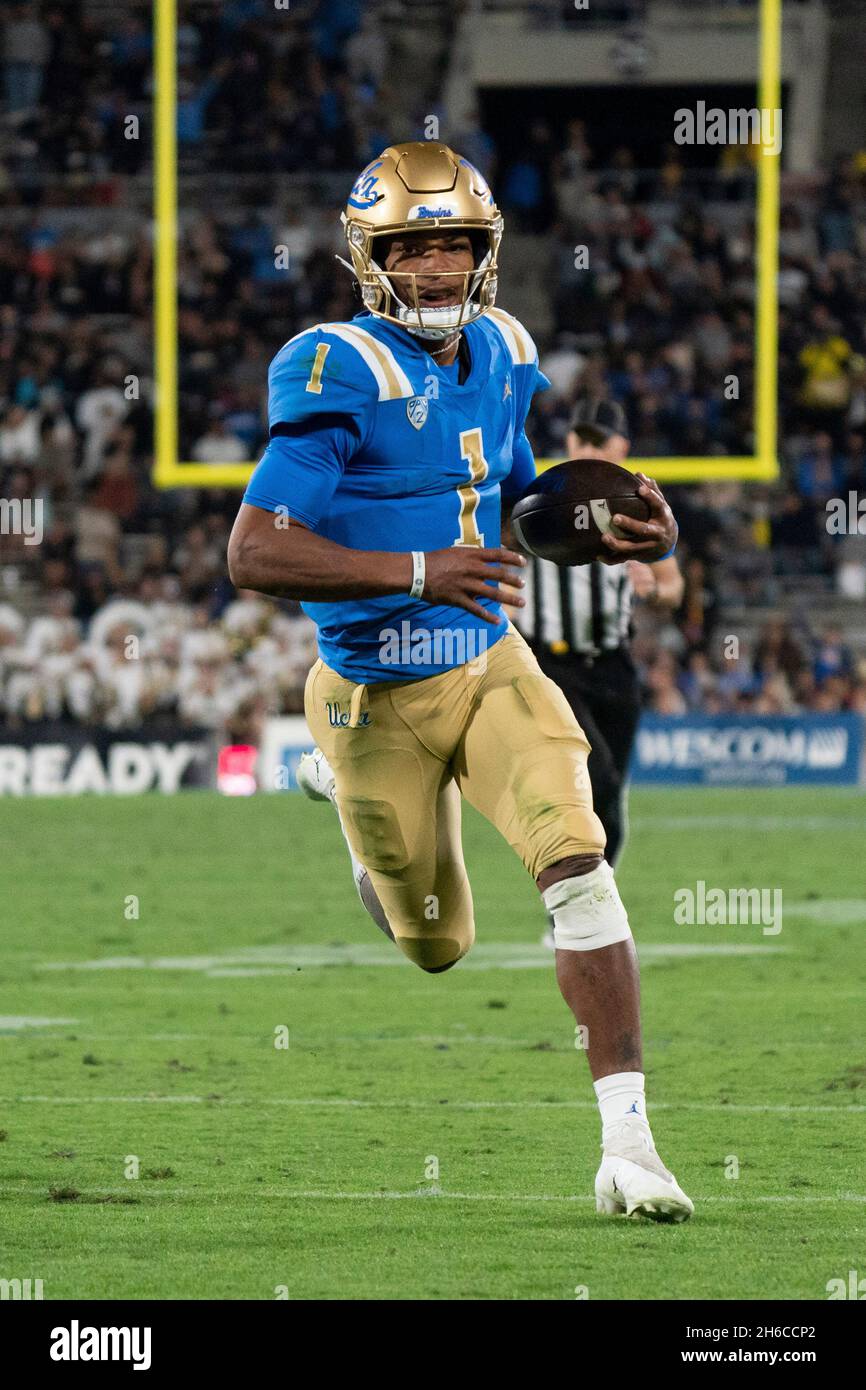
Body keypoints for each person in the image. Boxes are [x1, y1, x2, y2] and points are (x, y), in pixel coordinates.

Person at [228, 141, 692, 1221]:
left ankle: (627, 1144)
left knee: (578, 865)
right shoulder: (334, 364)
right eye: (413, 248)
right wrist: (418, 568)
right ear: (368, 257)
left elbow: (519, 500)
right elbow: (254, 550)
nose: (438, 269)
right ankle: (344, 797)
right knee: (435, 942)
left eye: (456, 245)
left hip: (487, 662)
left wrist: (613, 527)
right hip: (367, 696)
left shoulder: (506, 349)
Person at [516, 398, 684, 914]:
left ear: (621, 448)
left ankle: (593, 898)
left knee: (612, 796)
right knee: (597, 776)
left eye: (597, 440)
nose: (585, 449)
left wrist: (651, 586)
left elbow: (674, 587)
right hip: (551, 662)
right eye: (579, 438)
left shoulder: (638, 503)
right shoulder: (540, 494)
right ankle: (575, 900)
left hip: (613, 664)